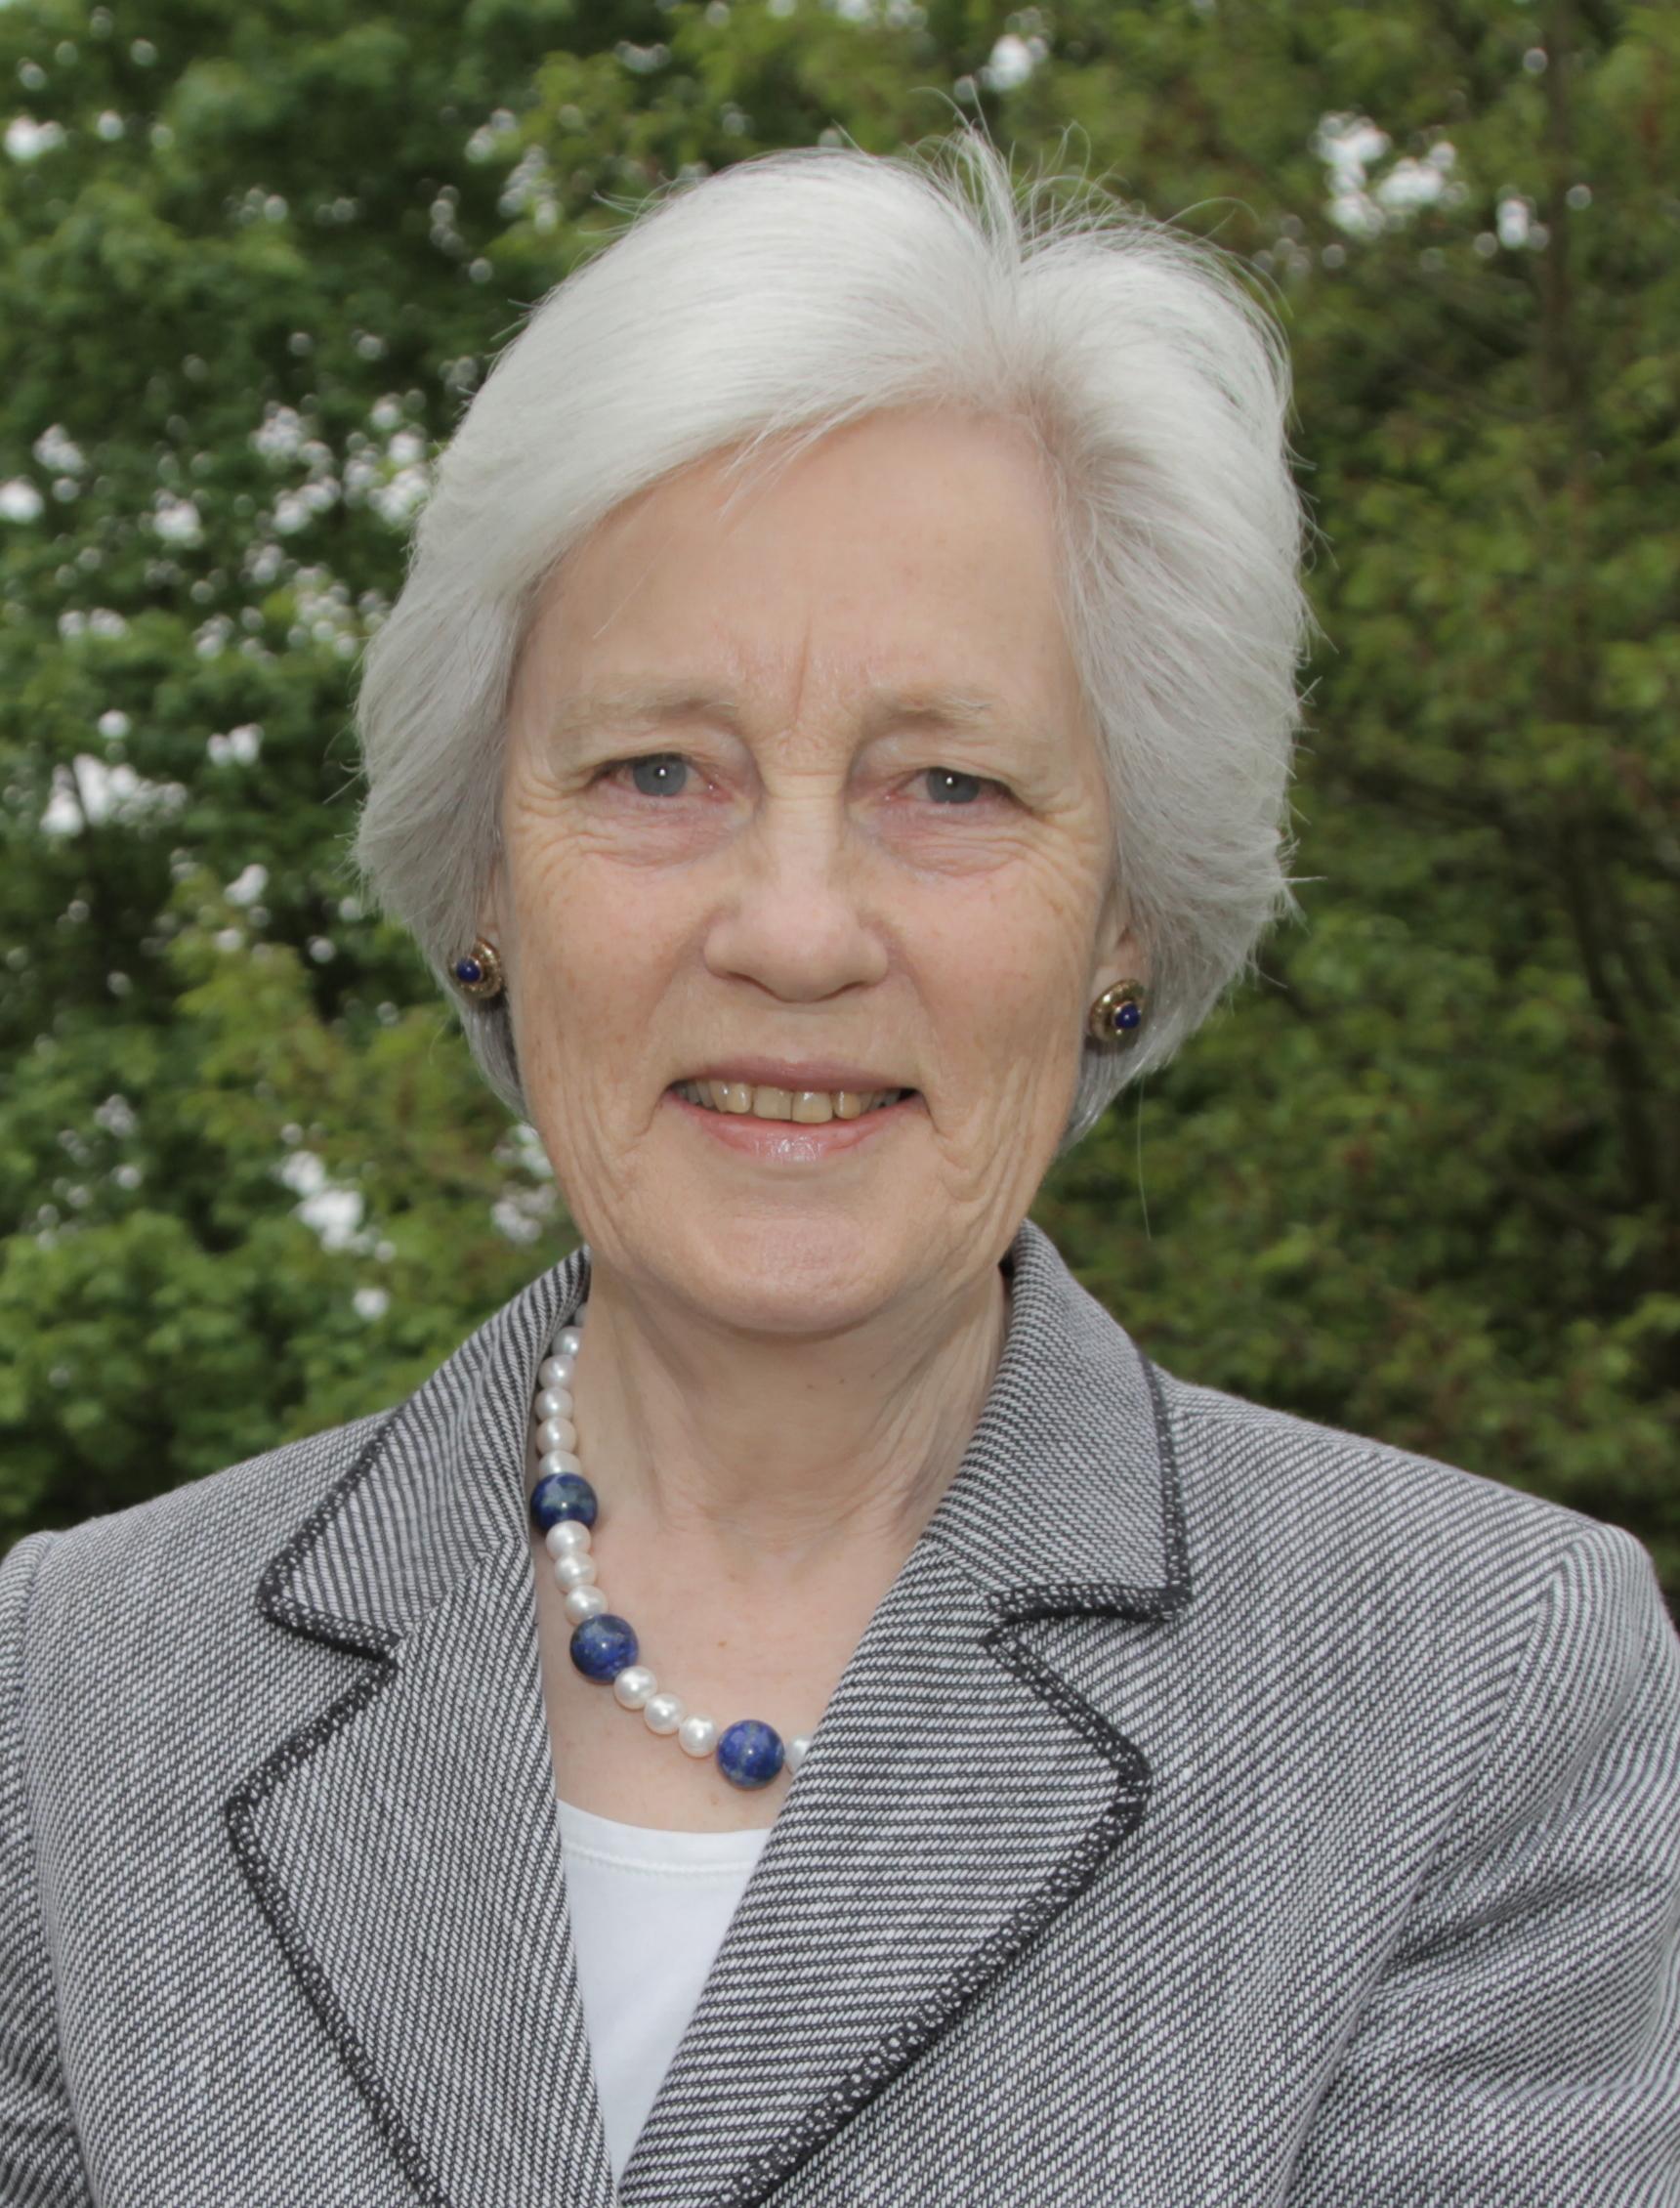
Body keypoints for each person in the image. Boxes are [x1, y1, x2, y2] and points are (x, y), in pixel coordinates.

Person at [2, 128, 1675, 2208]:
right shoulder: (74, 1689)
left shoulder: (1475, 1685)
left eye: (947, 783)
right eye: (655, 772)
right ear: (481, 883)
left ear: (1125, 921)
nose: (794, 925)